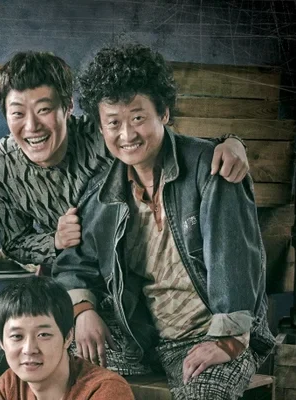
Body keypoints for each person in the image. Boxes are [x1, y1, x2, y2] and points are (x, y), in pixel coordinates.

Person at [55, 44, 275, 399]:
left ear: (164, 113)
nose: (126, 135)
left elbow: (235, 257)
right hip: (142, 338)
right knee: (55, 365)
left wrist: (229, 339)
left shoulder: (211, 168)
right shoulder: (101, 193)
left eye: (138, 118)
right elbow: (74, 264)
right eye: (113, 122)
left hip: (213, 334)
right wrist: (83, 311)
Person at [0, 51, 249, 267]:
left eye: (44, 110)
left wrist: (231, 142)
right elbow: (14, 242)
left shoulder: (108, 135)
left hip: (132, 261)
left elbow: (168, 144)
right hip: (74, 269)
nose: (31, 126)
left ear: (68, 106)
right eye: (17, 114)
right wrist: (55, 242)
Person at [0, 277, 134, 400]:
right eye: (17, 336)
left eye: (43, 335)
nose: (29, 349)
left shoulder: (104, 390)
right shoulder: (8, 386)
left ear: (68, 337)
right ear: (1, 342)